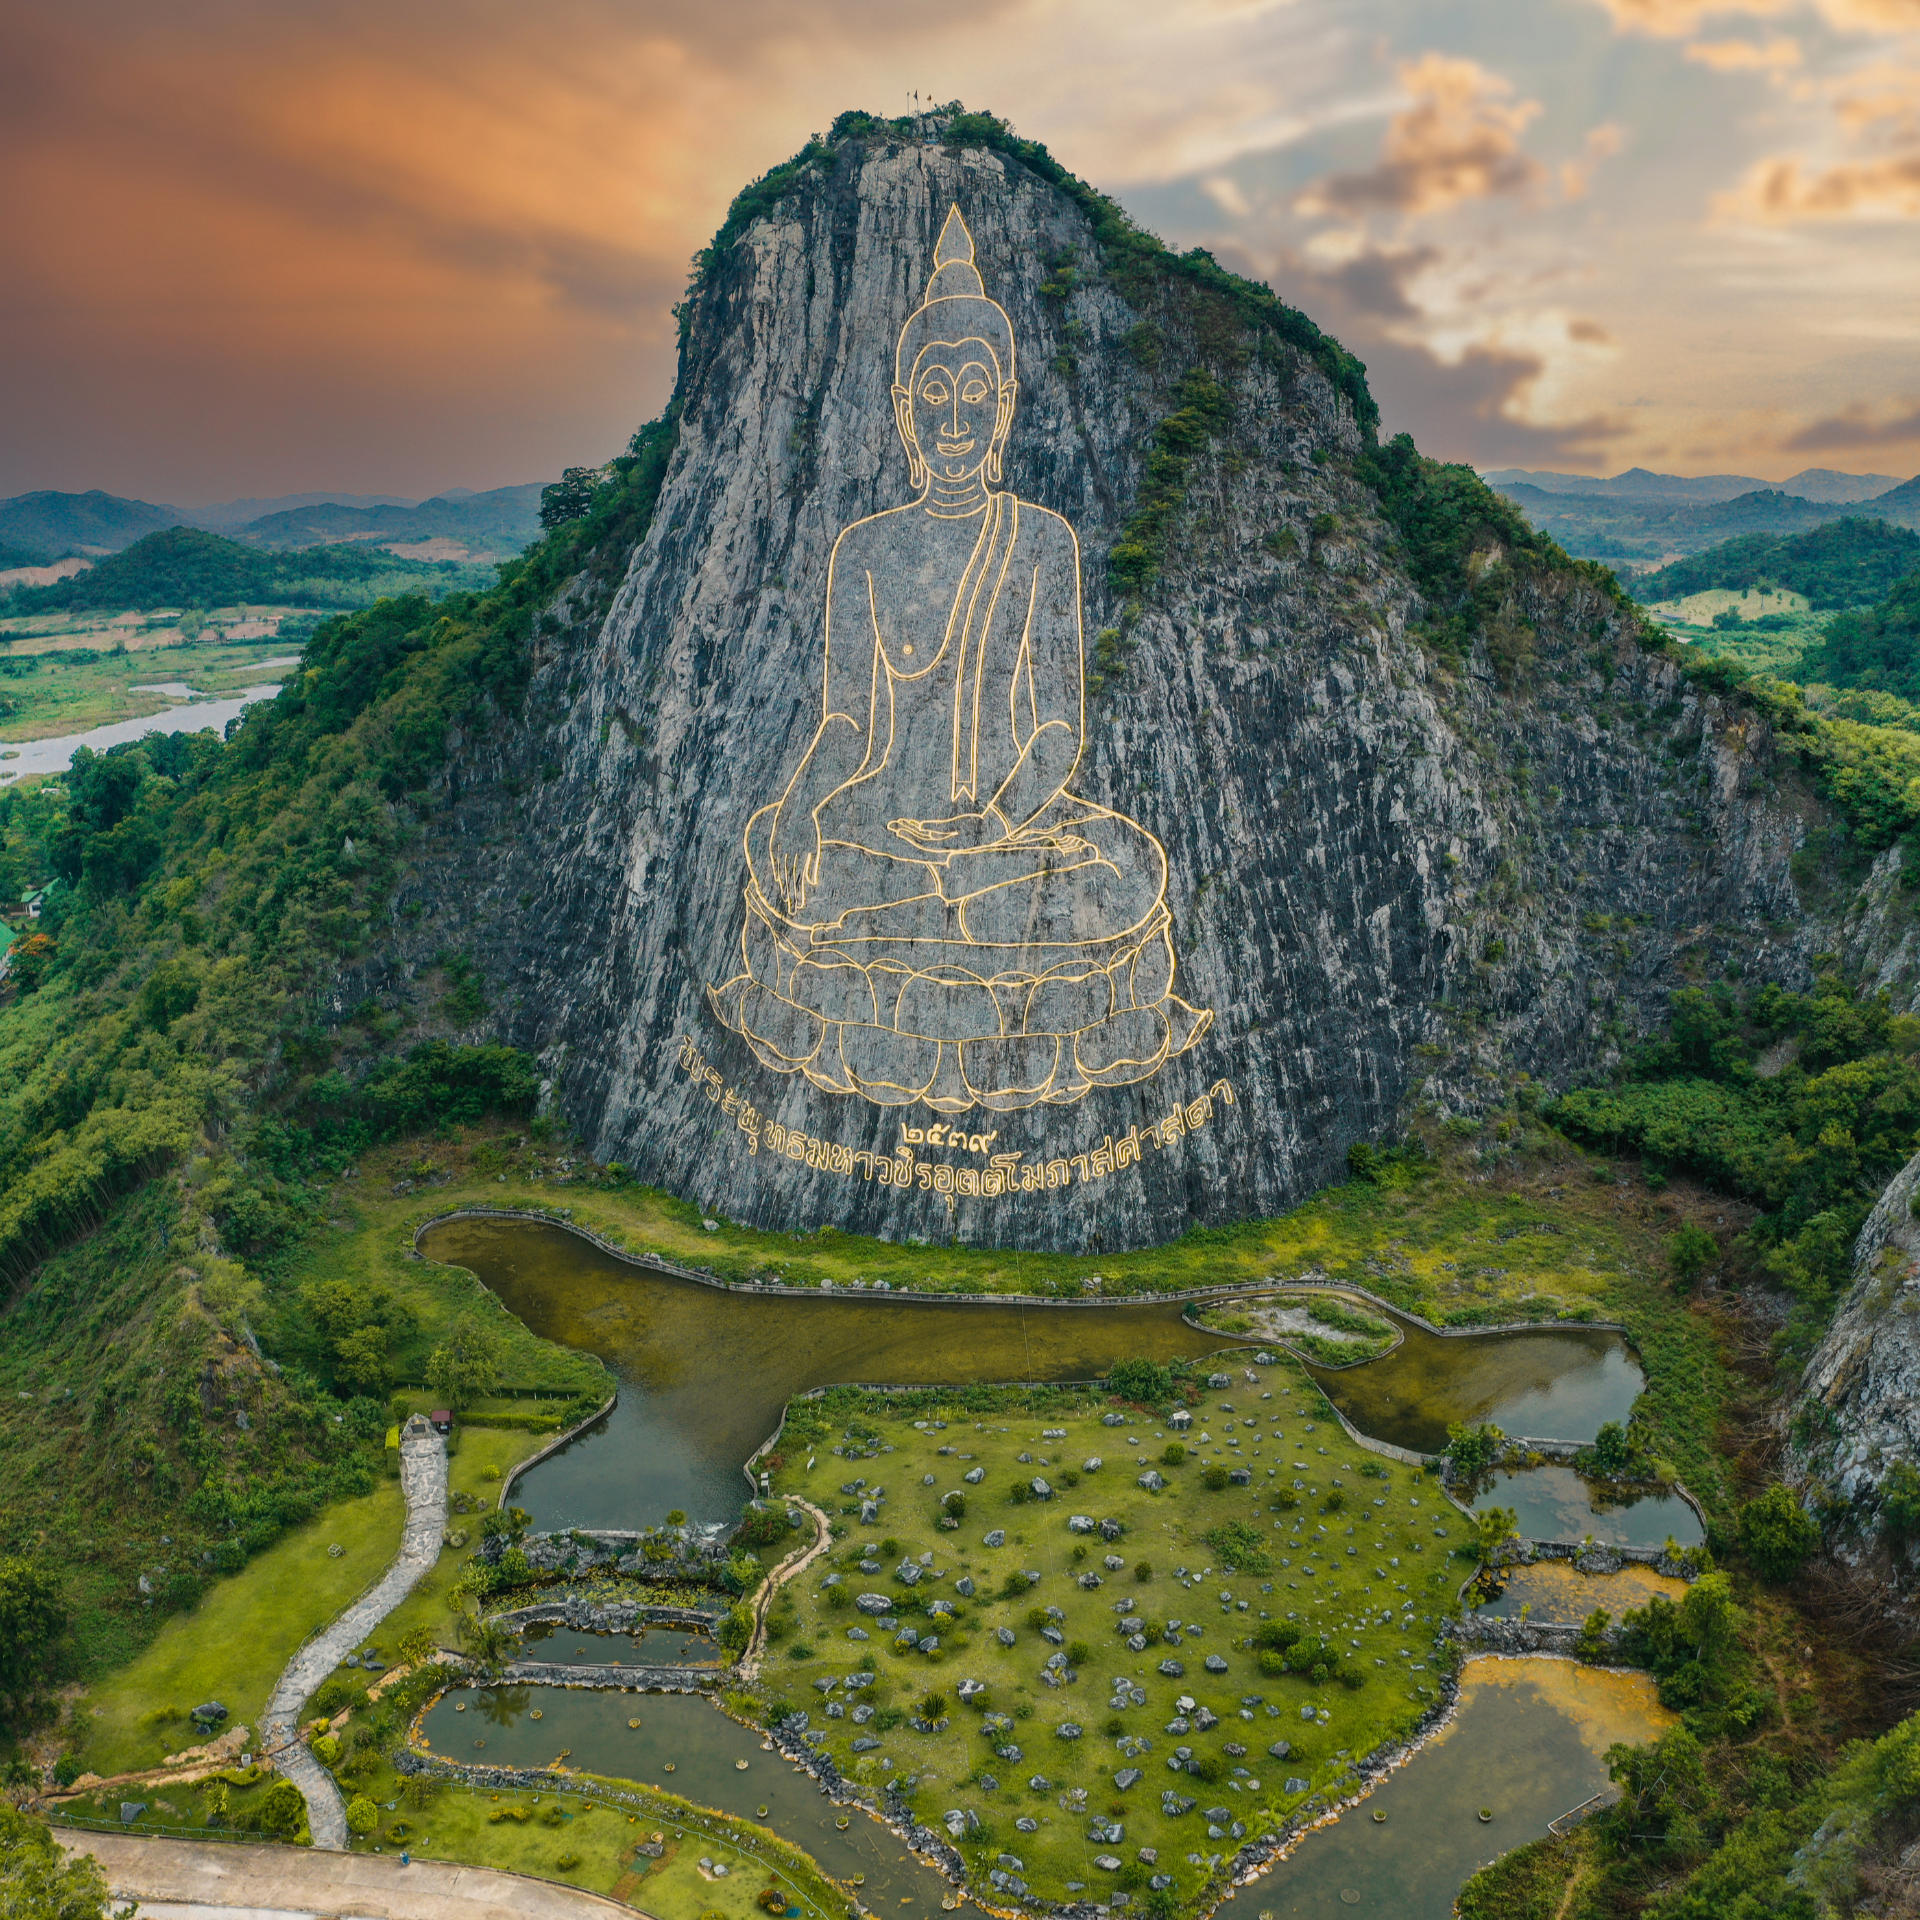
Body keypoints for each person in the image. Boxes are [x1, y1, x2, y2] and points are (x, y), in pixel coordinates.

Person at [710, 206, 1209, 1115]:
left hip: (1002, 843)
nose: (954, 416)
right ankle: (952, 950)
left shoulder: (1041, 542)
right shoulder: (863, 549)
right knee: (794, 857)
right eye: (932, 393)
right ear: (905, 411)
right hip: (886, 838)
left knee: (1125, 868)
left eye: (975, 391)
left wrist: (993, 823)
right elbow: (849, 722)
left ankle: (926, 956)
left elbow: (1059, 728)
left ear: (1005, 405)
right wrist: (794, 808)